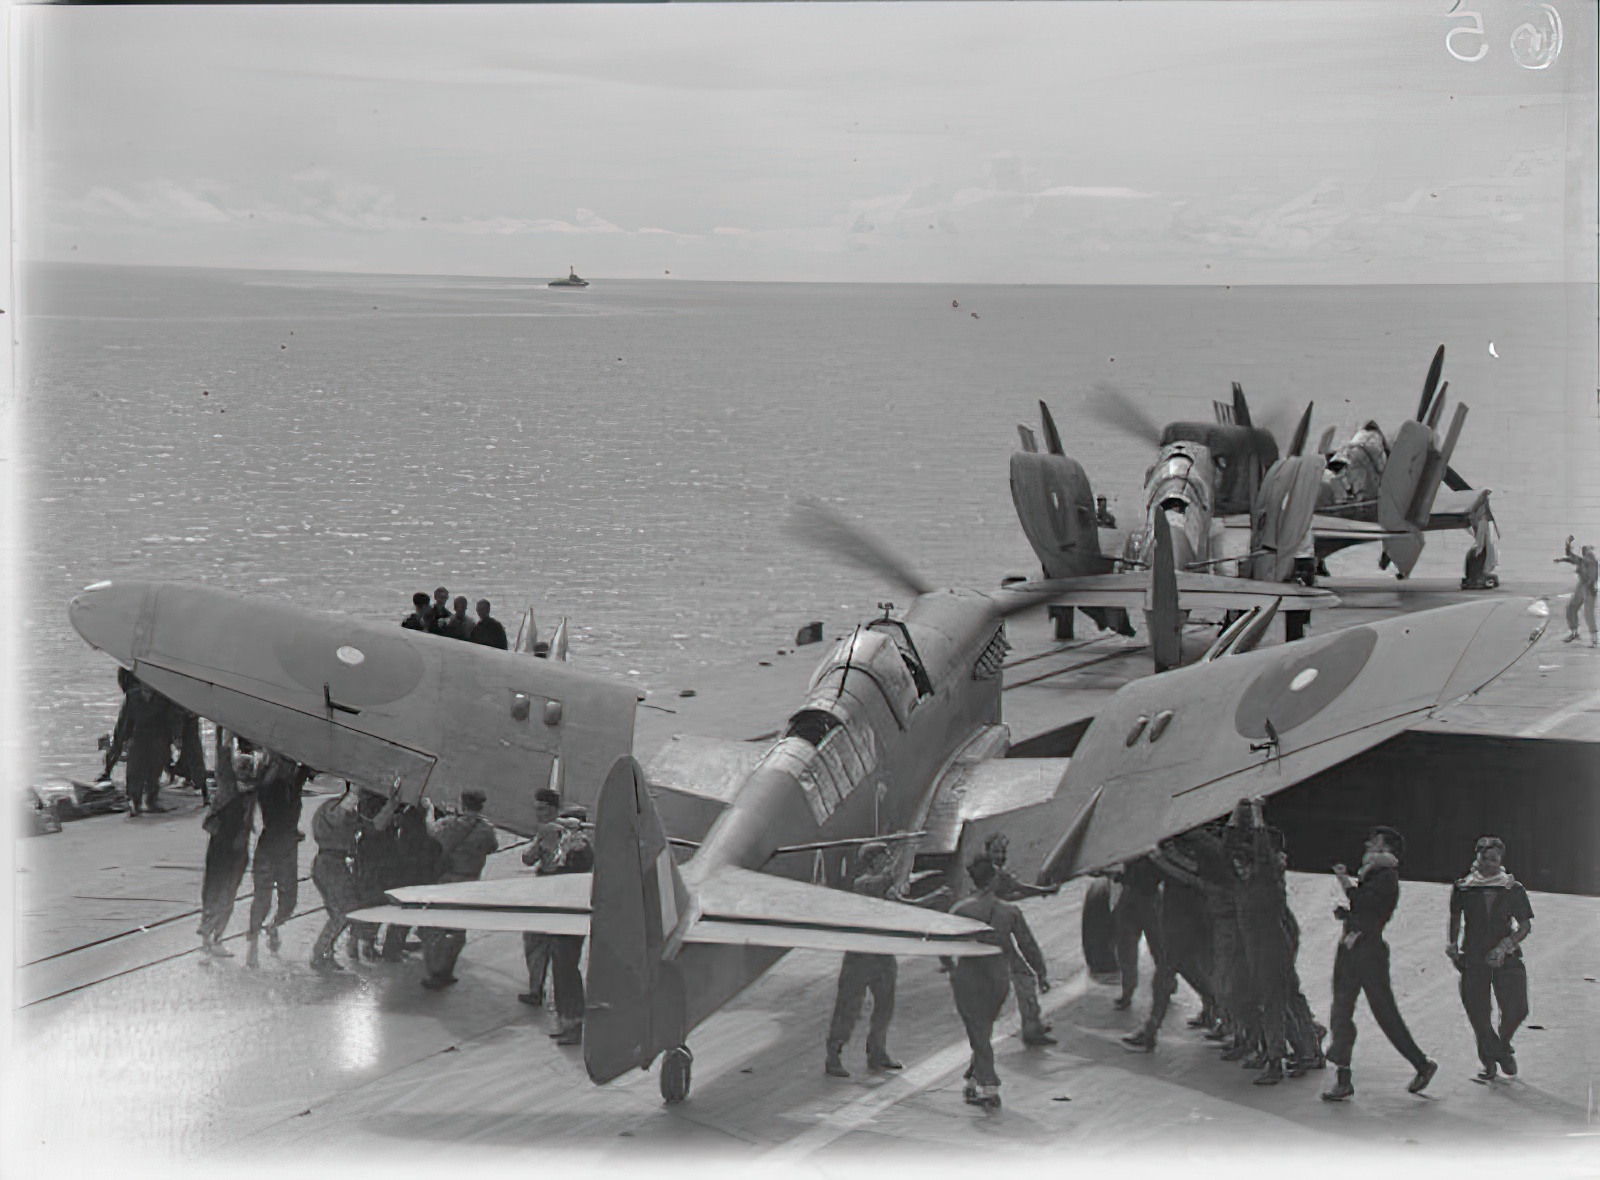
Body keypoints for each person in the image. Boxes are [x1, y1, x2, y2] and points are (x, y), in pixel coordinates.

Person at [1322, 825, 1438, 1101]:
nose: (1368, 844)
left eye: (1374, 841)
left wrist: (1344, 883)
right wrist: (1349, 915)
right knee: (1355, 1010)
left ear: (1386, 850)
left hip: (1363, 950)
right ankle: (1344, 1074)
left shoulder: (1385, 876)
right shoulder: (1376, 874)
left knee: (1358, 1010)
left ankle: (1418, 1064)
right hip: (1359, 947)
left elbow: (1367, 905)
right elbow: (1366, 908)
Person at [825, 842, 952, 1077]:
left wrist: (931, 898)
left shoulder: (885, 885)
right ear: (872, 860)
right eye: (884, 855)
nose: (888, 859)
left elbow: (903, 906)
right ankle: (834, 1054)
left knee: (884, 1006)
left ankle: (877, 1051)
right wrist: (932, 896)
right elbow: (889, 889)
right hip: (860, 956)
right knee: (849, 1008)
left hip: (882, 953)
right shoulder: (864, 883)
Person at [949, 855, 1046, 1108]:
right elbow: (1028, 945)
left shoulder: (960, 909)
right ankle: (972, 1079)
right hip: (998, 976)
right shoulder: (1010, 911)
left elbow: (943, 944)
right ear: (993, 880)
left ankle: (990, 1088)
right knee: (983, 1030)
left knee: (978, 1032)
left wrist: (951, 968)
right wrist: (1041, 972)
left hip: (969, 975)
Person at [1449, 836, 1534, 1083]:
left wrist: (1505, 946)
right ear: (1477, 858)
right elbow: (1455, 918)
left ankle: (1502, 1046)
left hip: (1505, 955)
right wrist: (1452, 945)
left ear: (1501, 860)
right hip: (1473, 955)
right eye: (1485, 857)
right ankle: (1489, 1064)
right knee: (1478, 1012)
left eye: (1494, 858)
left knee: (1518, 1009)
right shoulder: (1464, 887)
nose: (1489, 862)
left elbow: (1524, 926)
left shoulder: (1512, 888)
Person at [310, 780, 399, 972]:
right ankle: (320, 954)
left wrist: (392, 805)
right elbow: (338, 818)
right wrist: (355, 793)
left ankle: (325, 952)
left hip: (335, 864)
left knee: (343, 912)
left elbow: (374, 828)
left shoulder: (348, 812)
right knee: (344, 912)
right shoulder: (332, 808)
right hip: (329, 863)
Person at [419, 789, 500, 989]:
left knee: (434, 928)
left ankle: (434, 971)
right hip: (471, 881)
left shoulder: (452, 824)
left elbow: (432, 831)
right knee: (457, 929)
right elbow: (493, 847)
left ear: (463, 804)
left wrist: (429, 810)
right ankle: (448, 970)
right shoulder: (487, 828)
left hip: (448, 879)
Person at [983, 833, 1058, 1046]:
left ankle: (1031, 1023)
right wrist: (1044, 891)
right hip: (997, 933)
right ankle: (1031, 1028)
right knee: (1024, 977)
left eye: (1003, 851)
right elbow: (1019, 889)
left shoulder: (983, 873)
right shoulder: (996, 875)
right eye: (997, 851)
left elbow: (1013, 893)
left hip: (986, 934)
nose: (1001, 856)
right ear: (987, 851)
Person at [197, 731, 262, 957]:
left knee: (228, 894)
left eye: (248, 768)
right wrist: (223, 733)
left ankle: (214, 937)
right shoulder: (229, 788)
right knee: (216, 891)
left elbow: (267, 765)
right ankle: (209, 936)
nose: (245, 771)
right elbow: (222, 759)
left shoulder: (252, 790)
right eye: (242, 768)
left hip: (238, 849)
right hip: (222, 848)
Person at [245, 751, 312, 967]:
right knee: (275, 899)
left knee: (271, 899)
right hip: (280, 846)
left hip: (274, 845)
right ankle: (260, 938)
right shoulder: (276, 785)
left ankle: (262, 937)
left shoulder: (279, 781)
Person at [519, 788, 566, 1008]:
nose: (539, 813)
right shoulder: (570, 829)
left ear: (554, 810)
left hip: (546, 890)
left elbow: (528, 858)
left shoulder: (548, 830)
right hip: (565, 892)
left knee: (535, 942)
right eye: (537, 809)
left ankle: (536, 989)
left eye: (543, 809)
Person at [379, 804, 443, 961]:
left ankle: (395, 945)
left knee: (411, 909)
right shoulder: (422, 815)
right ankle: (392, 949)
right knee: (410, 909)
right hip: (418, 869)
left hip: (412, 868)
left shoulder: (409, 812)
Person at [1112, 855, 1164, 1014]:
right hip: (1138, 897)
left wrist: (1119, 877)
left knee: (1157, 948)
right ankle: (1128, 989)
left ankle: (1131, 989)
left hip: (1144, 897)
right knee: (1129, 948)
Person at [1555, 536, 1598, 645]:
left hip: (1588, 589)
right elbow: (1571, 557)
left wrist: (1590, 586)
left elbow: (1592, 576)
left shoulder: (1591, 561)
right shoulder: (1583, 560)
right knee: (1571, 608)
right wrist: (1567, 546)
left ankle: (1594, 637)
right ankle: (1574, 632)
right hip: (1582, 586)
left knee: (1588, 614)